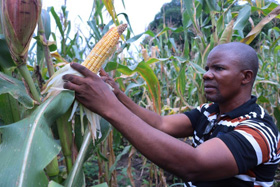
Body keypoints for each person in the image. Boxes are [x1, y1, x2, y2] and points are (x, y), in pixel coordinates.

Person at [62, 42, 280, 187]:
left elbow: (194, 165)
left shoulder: (259, 130)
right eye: (206, 68)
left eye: (218, 69)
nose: (206, 75)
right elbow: (161, 124)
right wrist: (118, 96)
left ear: (245, 77)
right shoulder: (210, 112)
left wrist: (109, 107)